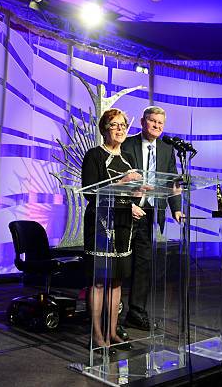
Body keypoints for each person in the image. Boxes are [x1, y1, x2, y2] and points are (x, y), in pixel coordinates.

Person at [82, 108, 144, 351]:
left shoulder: (129, 159)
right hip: (100, 225)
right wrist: (123, 184)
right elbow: (90, 193)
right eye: (114, 125)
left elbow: (130, 193)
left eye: (123, 125)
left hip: (123, 227)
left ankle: (112, 332)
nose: (120, 129)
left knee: (117, 282)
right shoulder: (94, 156)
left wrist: (138, 195)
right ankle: (97, 335)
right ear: (104, 129)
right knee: (99, 282)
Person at [121, 106, 184, 331]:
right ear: (142, 121)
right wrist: (127, 204)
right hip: (125, 211)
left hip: (149, 213)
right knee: (122, 263)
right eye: (153, 121)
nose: (157, 126)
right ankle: (113, 309)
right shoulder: (127, 144)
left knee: (144, 264)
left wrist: (176, 208)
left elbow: (173, 182)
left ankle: (136, 312)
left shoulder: (168, 149)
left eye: (160, 123)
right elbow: (117, 178)